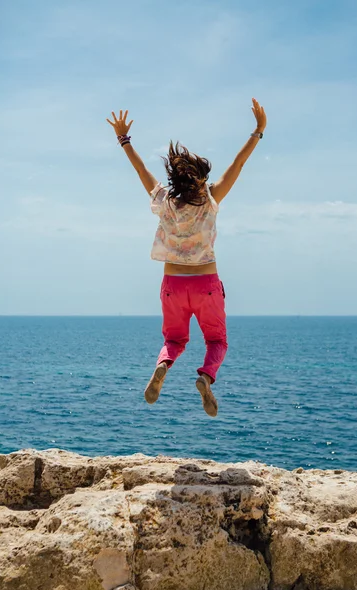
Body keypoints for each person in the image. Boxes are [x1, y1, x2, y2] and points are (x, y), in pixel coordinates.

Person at [107, 98, 267, 417]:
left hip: (173, 284)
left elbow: (141, 169)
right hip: (206, 282)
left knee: (175, 339)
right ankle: (206, 377)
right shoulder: (209, 199)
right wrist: (258, 131)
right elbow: (238, 165)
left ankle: (163, 366)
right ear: (201, 178)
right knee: (216, 340)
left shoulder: (163, 201)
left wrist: (124, 140)